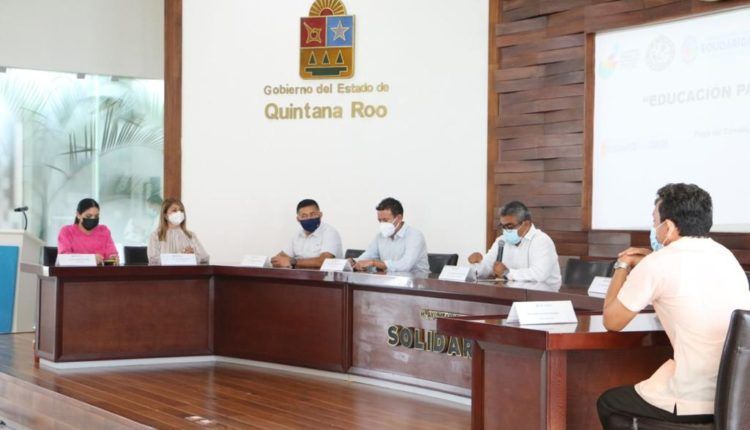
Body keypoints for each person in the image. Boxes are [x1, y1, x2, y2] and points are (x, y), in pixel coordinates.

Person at [597, 183, 750, 428]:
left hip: (693, 399)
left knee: (609, 402)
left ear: (668, 226)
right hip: (738, 400)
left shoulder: (658, 263)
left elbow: (612, 321)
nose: (653, 228)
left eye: (654, 221)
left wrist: (623, 264)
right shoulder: (726, 256)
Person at [468, 201, 561, 283]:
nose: (505, 230)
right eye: (503, 226)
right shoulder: (502, 240)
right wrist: (478, 264)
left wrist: (507, 272)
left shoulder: (542, 241)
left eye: (509, 226)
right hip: (510, 292)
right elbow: (489, 266)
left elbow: (539, 274)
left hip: (543, 295)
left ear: (526, 224)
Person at [353, 197, 429, 275]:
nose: (382, 224)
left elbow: (405, 265)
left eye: (385, 220)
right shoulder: (380, 236)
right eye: (380, 220)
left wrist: (374, 263)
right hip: (389, 279)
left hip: (417, 280)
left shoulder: (415, 236)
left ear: (399, 218)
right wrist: (353, 262)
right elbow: (367, 256)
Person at [271, 199, 343, 269]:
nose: (309, 218)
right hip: (300, 276)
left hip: (324, 277)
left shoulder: (330, 232)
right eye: (304, 216)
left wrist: (293, 262)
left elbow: (324, 262)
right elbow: (279, 258)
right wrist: (277, 261)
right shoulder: (297, 235)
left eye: (313, 214)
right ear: (298, 219)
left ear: (320, 215)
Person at [147, 198, 209, 265]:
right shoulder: (156, 235)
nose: (179, 213)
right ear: (165, 215)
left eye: (181, 210)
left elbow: (204, 258)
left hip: (187, 271)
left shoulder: (190, 235)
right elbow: (153, 260)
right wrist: (181, 257)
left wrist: (192, 255)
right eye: (174, 210)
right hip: (164, 272)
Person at [57, 198, 119, 265]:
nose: (93, 219)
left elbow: (111, 253)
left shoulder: (103, 230)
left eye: (96, 216)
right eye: (88, 216)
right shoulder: (67, 231)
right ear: (78, 215)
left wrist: (113, 258)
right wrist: (91, 259)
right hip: (75, 271)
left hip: (100, 271)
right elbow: (64, 258)